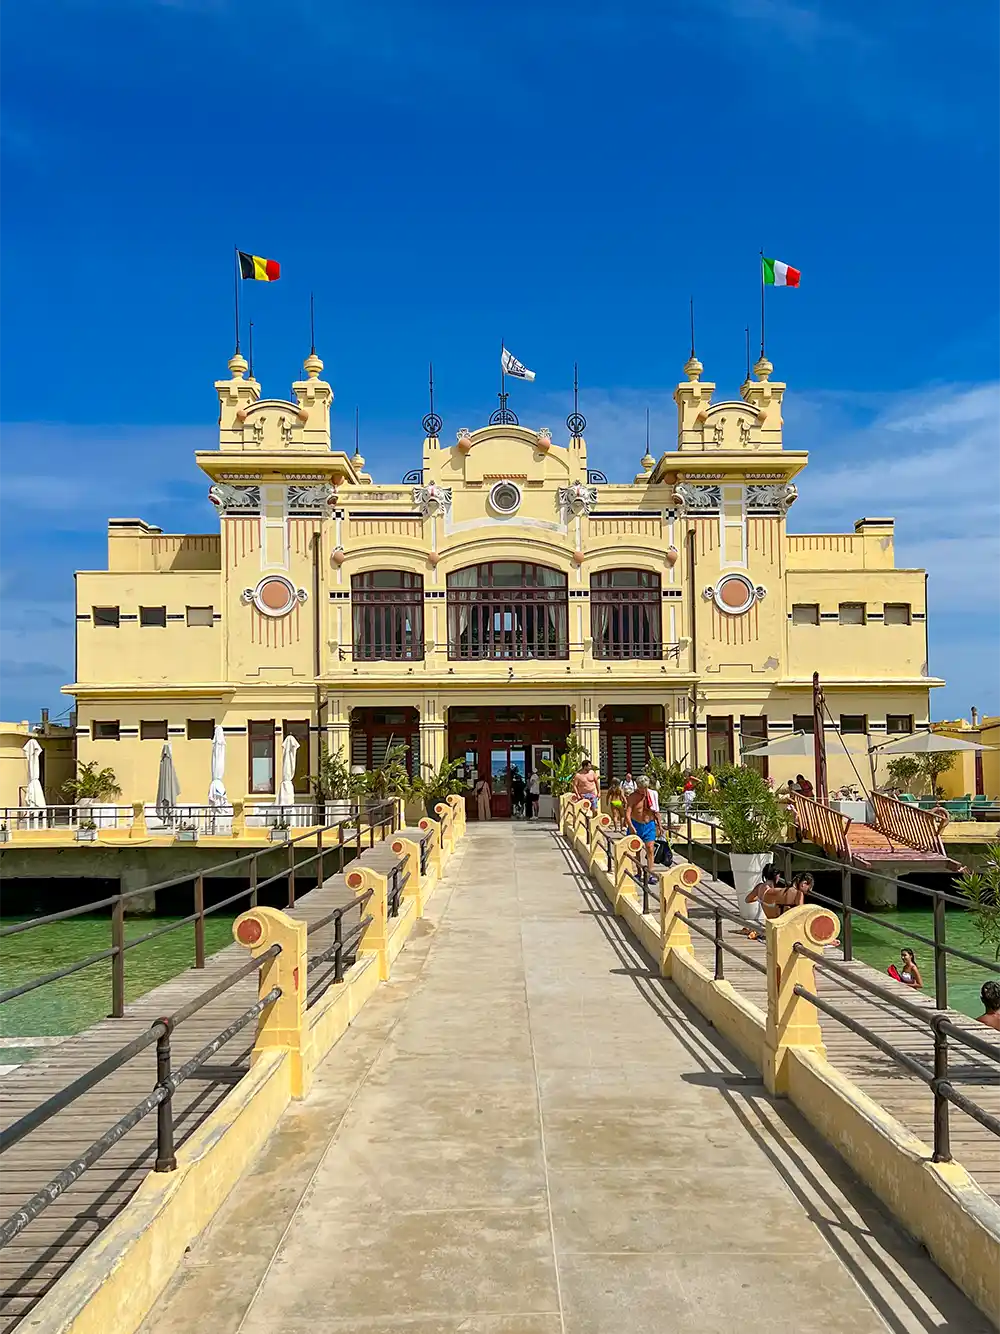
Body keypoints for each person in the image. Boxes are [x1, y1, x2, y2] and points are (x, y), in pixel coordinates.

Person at [625, 775, 660, 879]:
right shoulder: (633, 797)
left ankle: (650, 874)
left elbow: (656, 811)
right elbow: (627, 813)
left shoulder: (652, 794)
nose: (643, 790)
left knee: (650, 848)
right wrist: (631, 826)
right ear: (637, 786)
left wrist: (660, 825)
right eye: (641, 788)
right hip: (636, 824)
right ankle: (639, 871)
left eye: (645, 788)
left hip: (649, 825)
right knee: (637, 849)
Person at [744, 862, 782, 940]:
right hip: (779, 922)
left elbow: (747, 899)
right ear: (776, 876)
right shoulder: (775, 891)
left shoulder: (759, 887)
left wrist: (760, 899)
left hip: (770, 922)